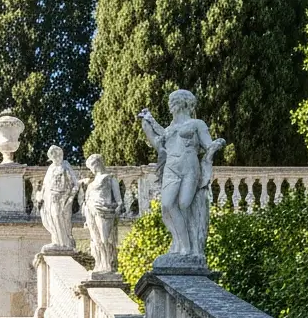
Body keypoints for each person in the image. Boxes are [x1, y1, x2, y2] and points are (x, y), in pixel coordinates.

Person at [139, 88, 225, 263]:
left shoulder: (197, 124)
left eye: (174, 101)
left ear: (185, 103)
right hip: (171, 168)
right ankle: (181, 245)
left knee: (184, 205)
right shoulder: (169, 129)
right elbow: (159, 144)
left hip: (189, 168)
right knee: (167, 206)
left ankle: (188, 248)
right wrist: (148, 125)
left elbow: (207, 144)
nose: (171, 105)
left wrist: (215, 145)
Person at [82, 153, 124, 275]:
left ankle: (108, 265)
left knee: (105, 238)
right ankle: (100, 264)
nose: (91, 169)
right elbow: (87, 198)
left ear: (98, 163)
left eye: (91, 165)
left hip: (105, 211)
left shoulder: (110, 178)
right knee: (95, 239)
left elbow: (119, 200)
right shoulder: (93, 182)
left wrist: (117, 209)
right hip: (91, 211)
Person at [38, 146, 78, 254]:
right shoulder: (51, 168)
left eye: (56, 155)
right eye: (53, 156)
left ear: (60, 154)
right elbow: (45, 184)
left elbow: (75, 184)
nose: (55, 158)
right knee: (51, 218)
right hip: (50, 197)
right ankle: (56, 241)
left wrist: (69, 199)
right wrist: (41, 195)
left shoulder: (65, 165)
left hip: (62, 197)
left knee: (57, 216)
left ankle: (64, 243)